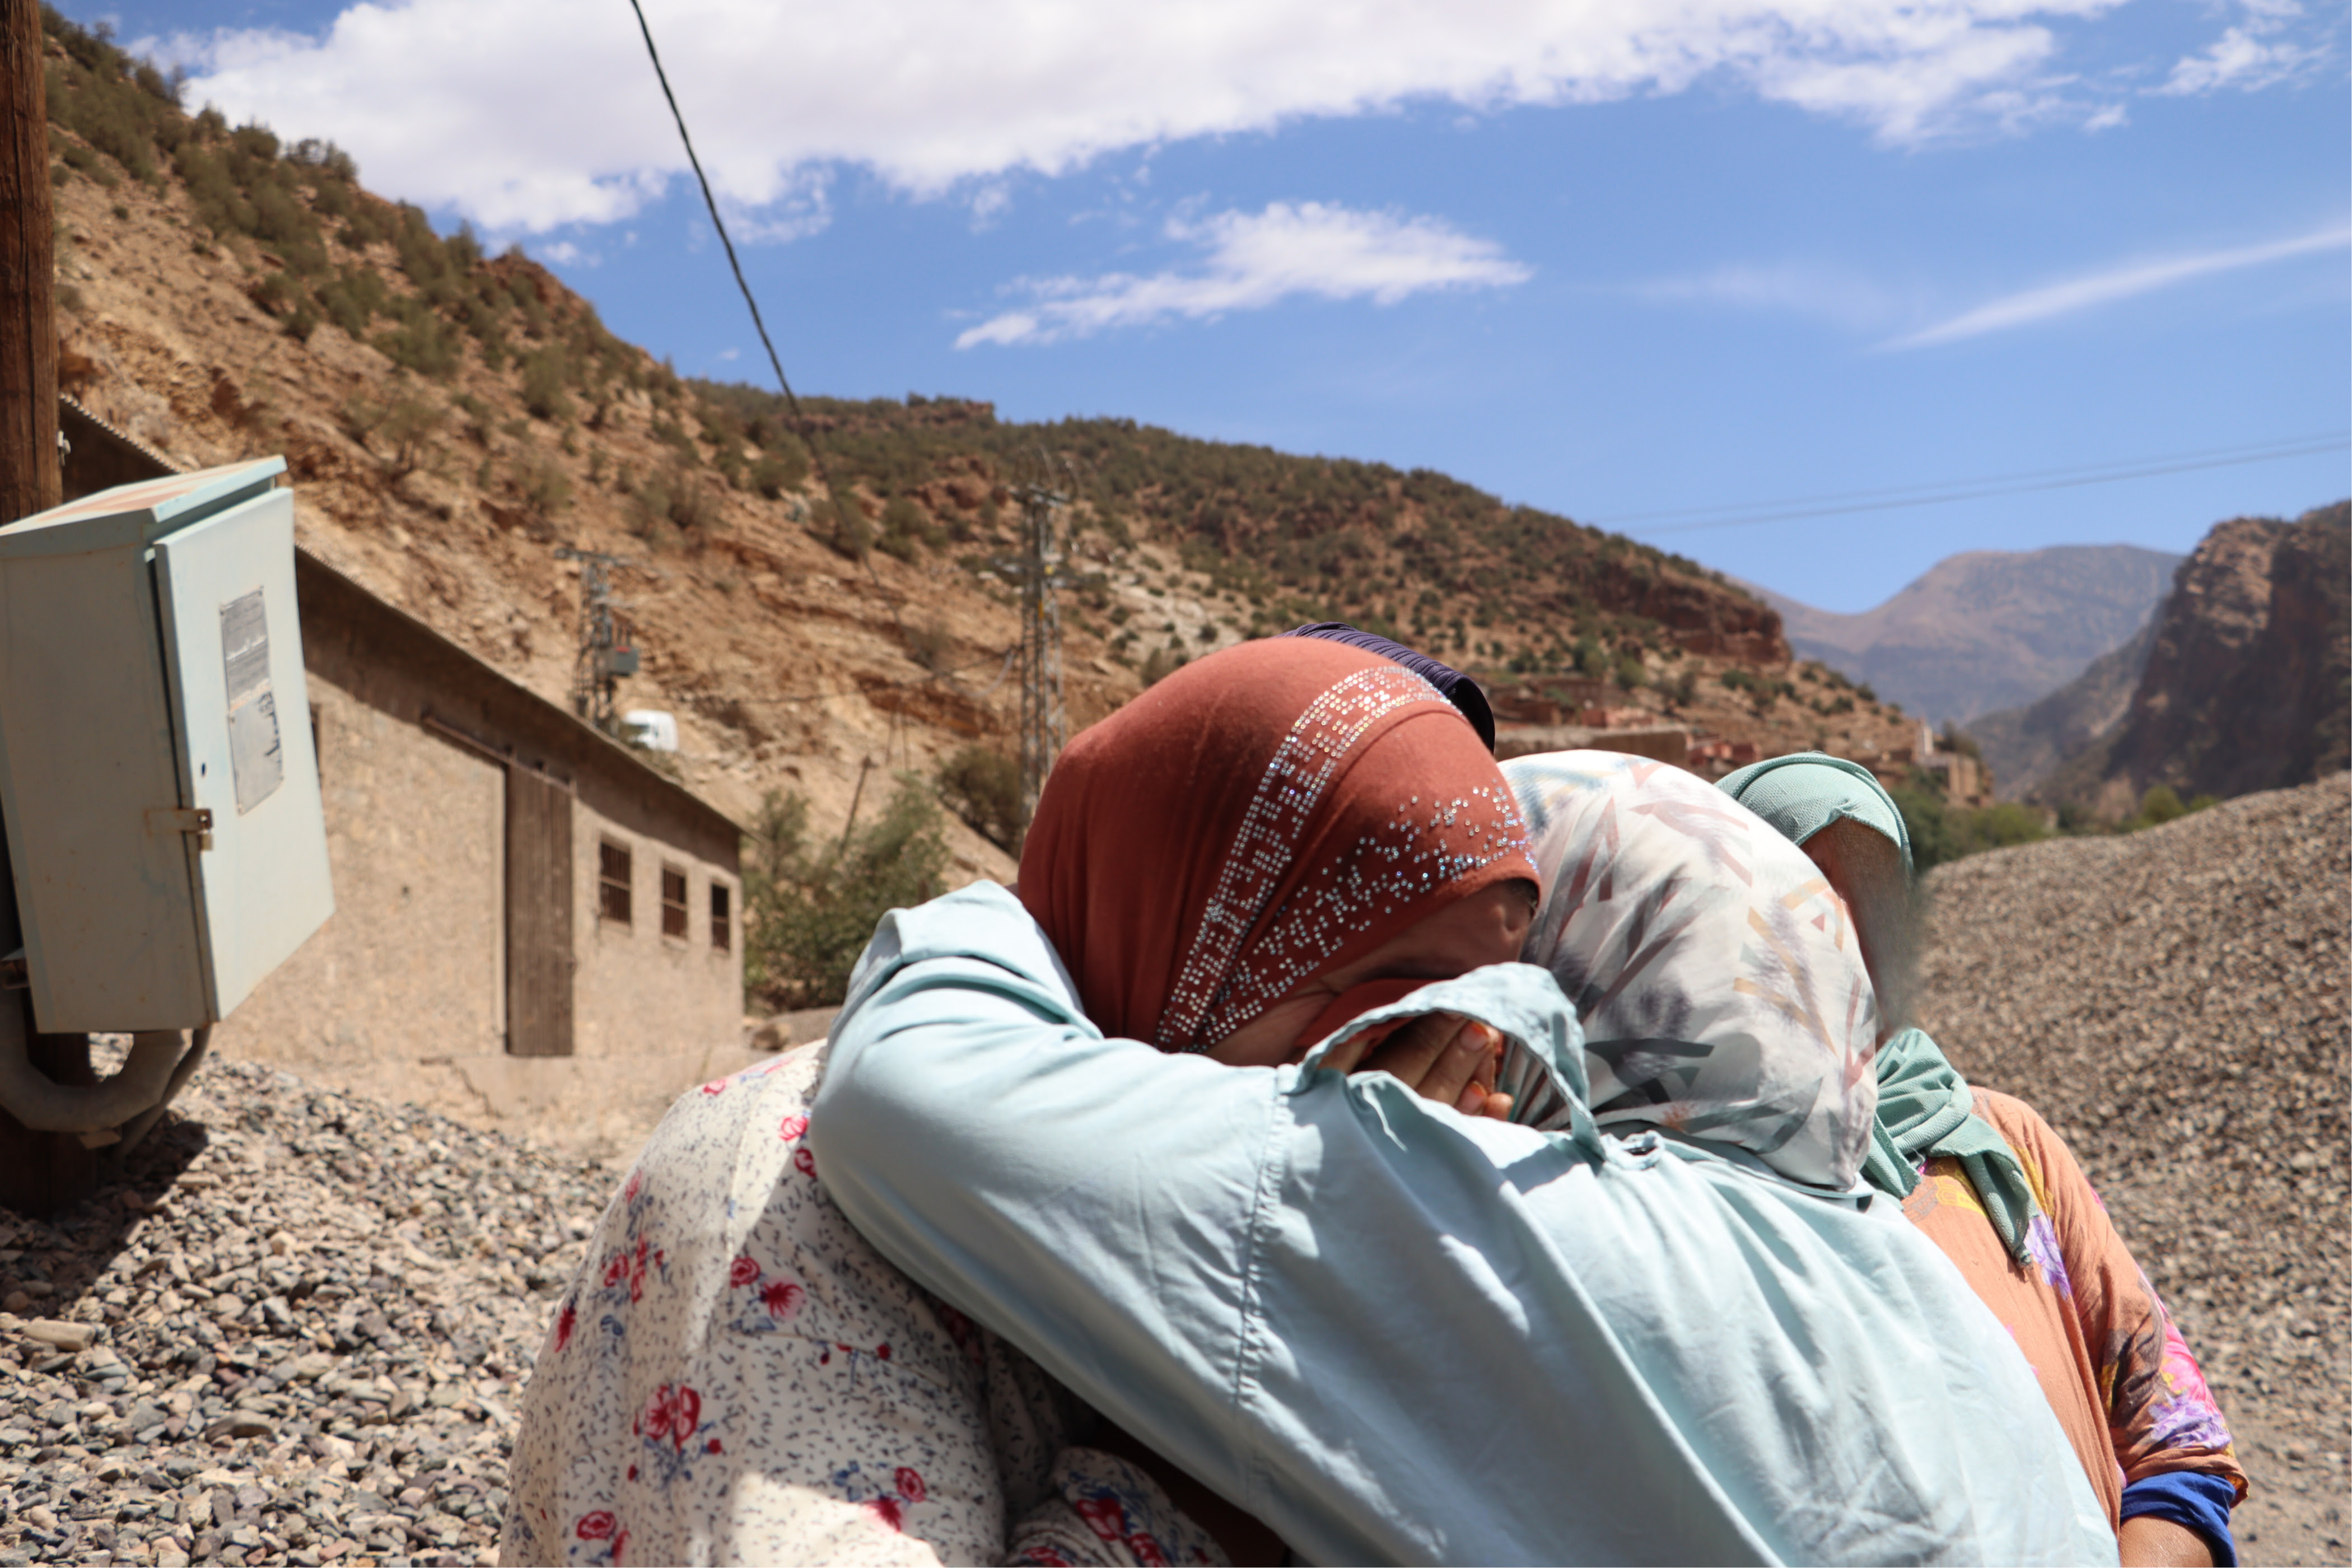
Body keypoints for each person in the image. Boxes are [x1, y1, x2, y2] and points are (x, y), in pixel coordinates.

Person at [809, 640, 2116, 1565]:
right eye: (1397, 988)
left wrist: (1050, 916)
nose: (1468, 1059)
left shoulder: (1404, 1202)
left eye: (1503, 997)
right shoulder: (1893, 1266)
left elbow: (896, 1079)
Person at [1716, 752, 2248, 1567]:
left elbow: (2178, 1442)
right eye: (1813, 889)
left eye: (1880, 892)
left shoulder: (2004, 1138)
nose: (1855, 929)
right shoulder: (1701, 1183)